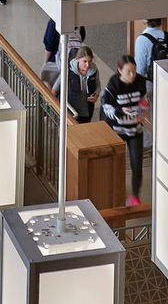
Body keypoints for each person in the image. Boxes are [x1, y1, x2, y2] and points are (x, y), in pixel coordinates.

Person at [101, 55, 147, 206]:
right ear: (119, 70)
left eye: (134, 71)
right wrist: (120, 110)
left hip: (135, 130)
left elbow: (144, 101)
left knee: (136, 164)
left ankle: (135, 196)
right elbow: (106, 107)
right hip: (117, 130)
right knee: (116, 164)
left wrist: (141, 114)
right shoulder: (114, 84)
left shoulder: (140, 81)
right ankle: (116, 192)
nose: (132, 75)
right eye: (128, 72)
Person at [54, 45, 100, 123]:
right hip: (71, 110)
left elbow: (98, 86)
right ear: (78, 59)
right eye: (85, 61)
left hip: (86, 110)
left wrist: (96, 95)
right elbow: (55, 88)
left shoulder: (94, 70)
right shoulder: (68, 70)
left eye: (90, 61)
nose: (88, 65)